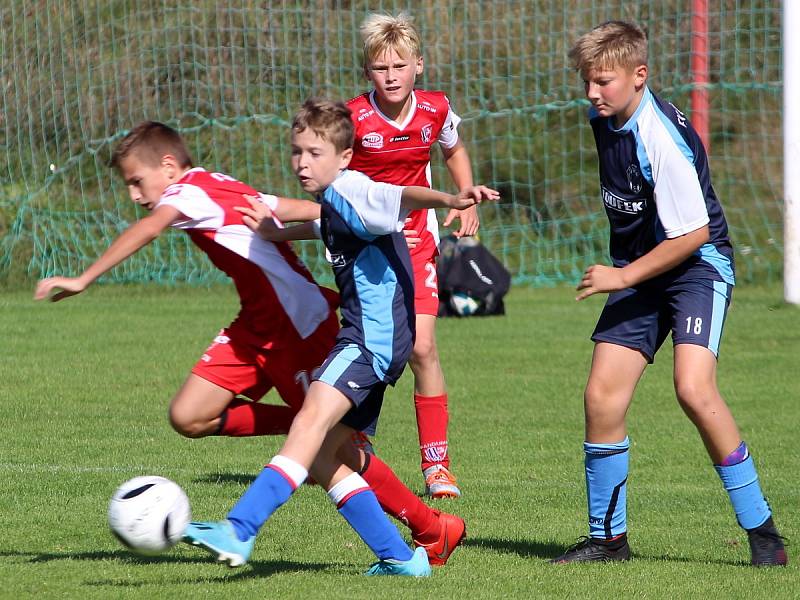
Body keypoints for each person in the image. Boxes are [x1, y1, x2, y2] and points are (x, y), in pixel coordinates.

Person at [33, 120, 467, 570]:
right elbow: (292, 207)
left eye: (136, 182)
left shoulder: (185, 193)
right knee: (190, 415)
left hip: (298, 325)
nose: (136, 196)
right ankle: (315, 437)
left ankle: (429, 528)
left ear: (167, 166)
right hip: (256, 328)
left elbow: (151, 228)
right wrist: (362, 227)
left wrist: (84, 278)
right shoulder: (210, 185)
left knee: (326, 455)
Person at [184, 98, 498, 574]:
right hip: (373, 339)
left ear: (344, 157)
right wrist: (277, 233)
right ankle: (402, 555)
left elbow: (401, 196)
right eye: (296, 152)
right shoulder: (338, 198)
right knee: (328, 452)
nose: (301, 163)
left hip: (369, 341)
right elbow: (330, 225)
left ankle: (240, 528)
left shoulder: (357, 189)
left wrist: (451, 199)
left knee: (307, 423)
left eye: (314, 153)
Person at [551, 21, 787, 567]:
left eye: (603, 81)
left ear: (640, 76)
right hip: (644, 266)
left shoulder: (660, 137)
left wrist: (622, 276)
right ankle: (608, 540)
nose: (592, 92)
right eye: (587, 81)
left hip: (696, 267)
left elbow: (695, 233)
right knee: (602, 395)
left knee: (693, 388)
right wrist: (631, 270)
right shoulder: (605, 116)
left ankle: (765, 536)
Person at [346, 12, 477, 498]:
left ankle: (437, 465)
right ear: (368, 73)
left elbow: (453, 150)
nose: (391, 75)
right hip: (367, 247)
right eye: (381, 68)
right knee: (378, 349)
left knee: (422, 347)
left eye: (400, 65)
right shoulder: (353, 119)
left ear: (418, 66)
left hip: (418, 240)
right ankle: (357, 436)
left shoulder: (436, 110)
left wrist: (465, 196)